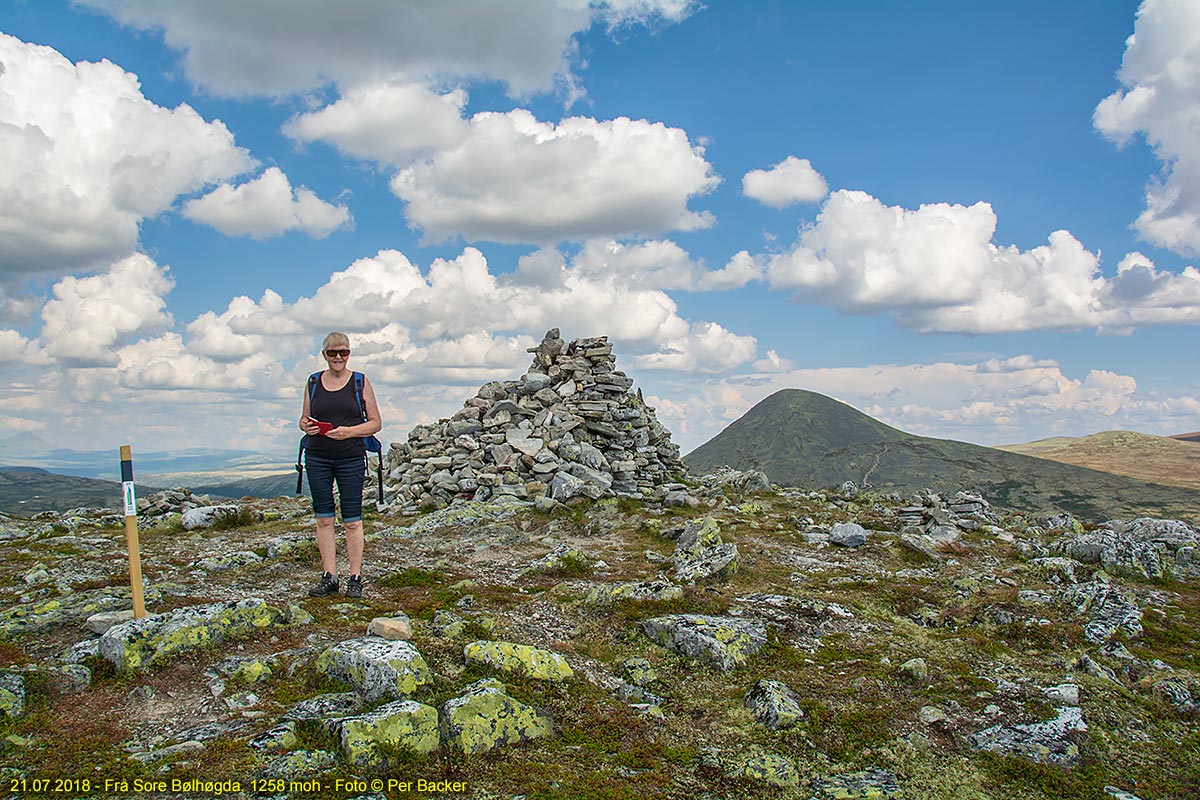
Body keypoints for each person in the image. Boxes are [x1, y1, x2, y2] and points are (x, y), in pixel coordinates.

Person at [299, 332, 382, 599]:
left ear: (349, 354)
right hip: (317, 455)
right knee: (323, 518)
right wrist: (307, 426)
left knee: (352, 521)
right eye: (332, 353)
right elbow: (303, 418)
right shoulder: (313, 382)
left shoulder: (360, 382)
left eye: (343, 352)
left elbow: (375, 423)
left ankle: (355, 577)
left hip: (350, 456)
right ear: (324, 354)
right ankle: (329, 577)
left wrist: (348, 432)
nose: (338, 357)